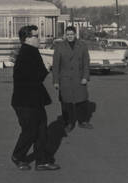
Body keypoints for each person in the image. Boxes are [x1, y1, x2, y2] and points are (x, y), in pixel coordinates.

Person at [11, 25, 60, 171]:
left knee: (41, 130)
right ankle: (18, 156)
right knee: (30, 131)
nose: (40, 39)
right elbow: (35, 77)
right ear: (27, 39)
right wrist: (47, 68)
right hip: (25, 102)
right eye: (36, 36)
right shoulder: (29, 53)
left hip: (33, 100)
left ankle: (42, 161)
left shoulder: (30, 51)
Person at [52, 26, 93, 134]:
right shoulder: (59, 46)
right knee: (66, 103)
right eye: (68, 34)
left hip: (79, 78)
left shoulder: (82, 45)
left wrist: (85, 77)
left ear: (75, 35)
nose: (70, 36)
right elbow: (56, 65)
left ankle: (83, 121)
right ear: (65, 35)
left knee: (82, 101)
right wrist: (56, 81)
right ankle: (68, 123)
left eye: (72, 34)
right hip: (65, 79)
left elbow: (86, 63)